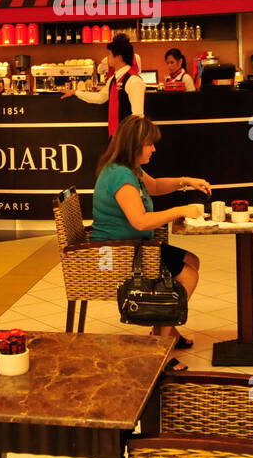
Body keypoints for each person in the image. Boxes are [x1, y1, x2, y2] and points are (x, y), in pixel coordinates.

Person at [90, 114, 211, 369]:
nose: (154, 148)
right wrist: (181, 210)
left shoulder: (128, 168)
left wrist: (185, 181)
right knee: (188, 276)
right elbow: (141, 221)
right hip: (121, 251)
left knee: (192, 260)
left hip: (134, 245)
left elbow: (154, 186)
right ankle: (159, 346)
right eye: (149, 144)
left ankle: (164, 328)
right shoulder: (121, 176)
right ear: (134, 145)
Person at [63, 32, 145, 136]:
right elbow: (100, 97)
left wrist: (129, 142)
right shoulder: (113, 79)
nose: (107, 57)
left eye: (109, 54)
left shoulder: (133, 80)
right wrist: (75, 92)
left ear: (118, 57)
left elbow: (138, 116)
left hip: (127, 139)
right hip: (115, 135)